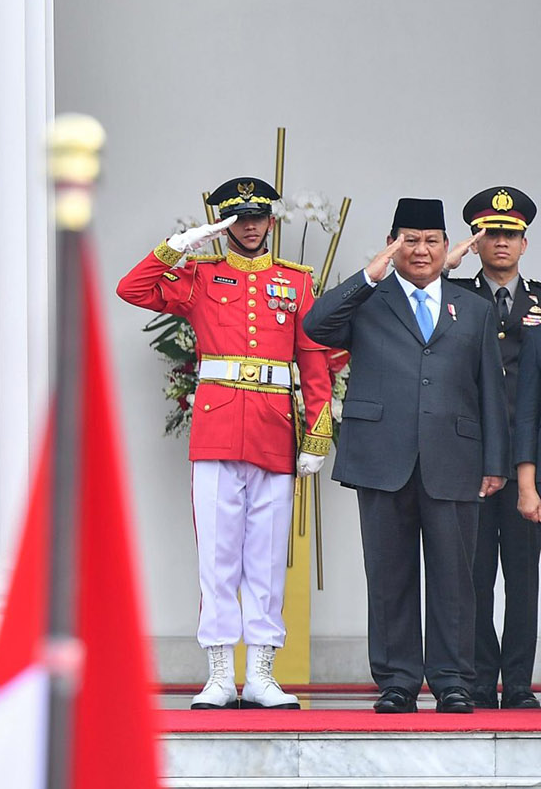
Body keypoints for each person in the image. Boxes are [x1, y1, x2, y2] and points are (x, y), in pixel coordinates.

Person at [116, 178, 336, 709]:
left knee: (264, 559)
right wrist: (180, 246)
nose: (250, 224)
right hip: (216, 431)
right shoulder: (200, 277)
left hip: (274, 432)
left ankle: (260, 675)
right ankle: (218, 675)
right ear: (224, 222)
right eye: (238, 217)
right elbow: (132, 289)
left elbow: (314, 361)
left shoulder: (296, 281)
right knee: (217, 558)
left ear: (272, 220)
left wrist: (317, 432)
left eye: (259, 215)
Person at [304, 198, 520, 713]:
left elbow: (490, 387)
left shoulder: (472, 308)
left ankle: (451, 681)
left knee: (455, 578)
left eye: (431, 240)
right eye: (409, 240)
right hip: (382, 457)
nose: (420, 249)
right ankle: (397, 680)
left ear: (447, 248)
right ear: (392, 244)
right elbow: (315, 325)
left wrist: (496, 462)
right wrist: (367, 274)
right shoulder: (368, 302)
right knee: (389, 575)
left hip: (455, 457)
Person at [446, 186, 541, 708]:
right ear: (476, 243)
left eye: (511, 234)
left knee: (524, 580)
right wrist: (447, 263)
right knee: (474, 577)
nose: (502, 242)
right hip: (471, 461)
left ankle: (520, 684)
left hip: (531, 466)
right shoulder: (454, 297)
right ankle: (481, 680)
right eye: (491, 234)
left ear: (525, 243)